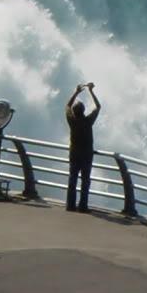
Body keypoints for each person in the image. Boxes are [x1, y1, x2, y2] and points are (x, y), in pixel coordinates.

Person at [65, 82, 100, 213]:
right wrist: (91, 91)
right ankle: (83, 206)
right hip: (86, 155)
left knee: (72, 179)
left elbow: (67, 105)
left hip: (74, 154)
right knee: (85, 181)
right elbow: (98, 107)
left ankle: (70, 205)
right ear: (84, 111)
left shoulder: (71, 120)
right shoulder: (88, 121)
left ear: (74, 112)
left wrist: (76, 92)